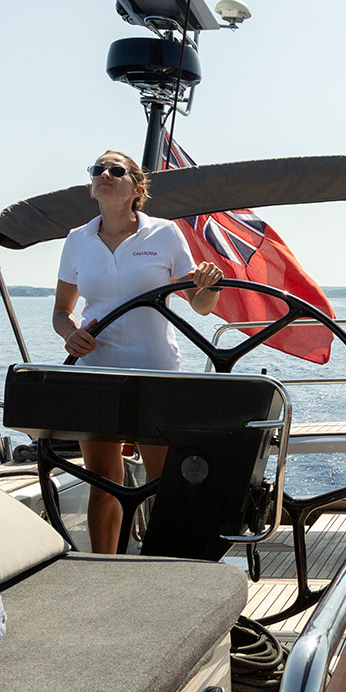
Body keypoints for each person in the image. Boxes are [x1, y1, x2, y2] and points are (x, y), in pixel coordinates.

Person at [53, 150, 223, 554]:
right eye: (98, 170)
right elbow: (61, 312)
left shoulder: (164, 234)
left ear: (137, 189)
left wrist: (209, 285)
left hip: (155, 372)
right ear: (91, 186)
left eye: (116, 170)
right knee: (102, 481)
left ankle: (161, 568)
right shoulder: (77, 240)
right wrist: (71, 334)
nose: (105, 174)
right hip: (97, 372)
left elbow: (200, 305)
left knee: (163, 481)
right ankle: (104, 569)